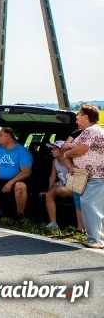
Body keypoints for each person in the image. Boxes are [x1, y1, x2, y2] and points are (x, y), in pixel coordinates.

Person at [61, 104, 104, 249]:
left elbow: (80, 150)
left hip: (96, 175)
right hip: (87, 175)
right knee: (93, 205)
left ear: (86, 117)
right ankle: (96, 237)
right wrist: (68, 158)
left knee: (89, 203)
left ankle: (96, 239)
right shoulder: (84, 132)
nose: (76, 118)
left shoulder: (91, 131)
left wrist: (66, 153)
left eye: (79, 114)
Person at [0, 127, 32, 222]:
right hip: (0, 180)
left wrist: (11, 183)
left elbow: (26, 172)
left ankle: (19, 215)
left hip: (17, 180)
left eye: (0, 135)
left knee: (20, 186)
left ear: (8, 137)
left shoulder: (22, 151)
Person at [41, 139, 84, 232]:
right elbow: (52, 177)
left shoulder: (73, 161)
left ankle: (80, 226)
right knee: (49, 195)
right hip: (62, 183)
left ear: (62, 150)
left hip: (73, 185)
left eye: (54, 149)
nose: (51, 151)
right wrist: (49, 190)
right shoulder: (55, 161)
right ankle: (53, 223)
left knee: (59, 190)